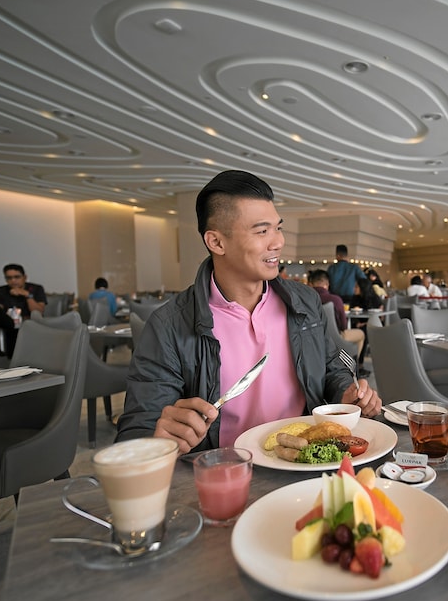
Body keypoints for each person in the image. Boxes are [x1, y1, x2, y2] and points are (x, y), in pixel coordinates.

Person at [116, 170, 380, 453]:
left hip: (302, 460)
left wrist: (346, 394)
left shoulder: (304, 302)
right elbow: (137, 433)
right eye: (262, 231)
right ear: (216, 242)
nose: (278, 242)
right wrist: (160, 440)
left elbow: (331, 368)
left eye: (278, 228)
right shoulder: (169, 326)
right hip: (222, 469)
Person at [307, 268, 365, 356]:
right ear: (327, 284)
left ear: (311, 284)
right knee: (361, 334)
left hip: (311, 338)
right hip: (334, 338)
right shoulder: (335, 300)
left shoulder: (306, 299)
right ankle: (352, 362)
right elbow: (343, 326)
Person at [0, 263, 47, 355]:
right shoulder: (1, 291)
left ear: (24, 277)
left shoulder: (36, 289)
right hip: (9, 326)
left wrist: (27, 295)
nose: (13, 281)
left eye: (17, 277)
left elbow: (38, 312)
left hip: (32, 325)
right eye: (9, 278)